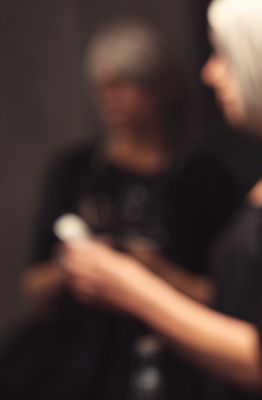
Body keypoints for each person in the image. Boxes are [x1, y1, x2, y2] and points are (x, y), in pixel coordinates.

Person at [59, 0, 262, 399]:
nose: (210, 73)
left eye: (225, 55)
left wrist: (128, 286)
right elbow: (246, 302)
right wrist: (158, 274)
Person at [1, 19, 240, 400]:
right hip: (75, 360)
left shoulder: (203, 179)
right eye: (102, 86)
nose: (110, 97)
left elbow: (228, 295)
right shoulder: (75, 170)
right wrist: (79, 267)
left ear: (158, 88)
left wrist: (154, 273)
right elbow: (33, 287)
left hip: (173, 361)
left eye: (124, 83)